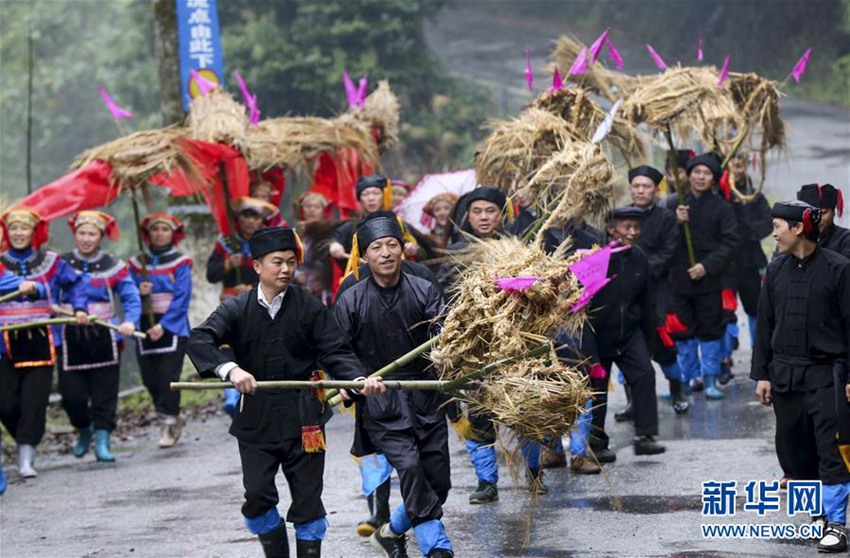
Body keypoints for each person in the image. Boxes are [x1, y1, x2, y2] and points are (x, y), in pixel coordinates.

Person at [187, 227, 382, 558]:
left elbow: (336, 350)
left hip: (305, 420)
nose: (285, 269)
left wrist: (356, 379)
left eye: (291, 262)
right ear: (257, 266)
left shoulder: (309, 308)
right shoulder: (237, 309)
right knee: (258, 497)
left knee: (308, 500)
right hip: (256, 421)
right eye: (277, 262)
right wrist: (231, 370)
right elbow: (199, 339)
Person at [334, 215, 453, 558]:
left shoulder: (424, 286)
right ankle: (437, 547)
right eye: (376, 248)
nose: (385, 253)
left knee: (438, 482)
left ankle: (391, 531)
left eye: (392, 245)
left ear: (402, 249)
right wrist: (355, 380)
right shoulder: (351, 297)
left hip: (427, 395)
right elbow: (337, 349)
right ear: (365, 256)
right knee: (411, 468)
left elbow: (444, 331)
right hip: (381, 401)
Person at [750, 200, 850, 553]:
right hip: (785, 376)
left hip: (827, 375)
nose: (773, 233)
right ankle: (816, 517)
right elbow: (765, 325)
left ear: (797, 228)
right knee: (794, 450)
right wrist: (761, 374)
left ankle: (837, 524)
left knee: (830, 449)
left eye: (777, 226)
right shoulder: (775, 270)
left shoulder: (839, 269)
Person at [582, 206, 666, 460]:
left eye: (636, 227)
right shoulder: (596, 259)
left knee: (645, 374)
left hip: (629, 333)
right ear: (611, 230)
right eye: (626, 227)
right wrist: (588, 351)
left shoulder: (639, 256)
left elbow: (646, 301)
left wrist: (651, 341)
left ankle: (645, 436)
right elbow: (580, 306)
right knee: (596, 387)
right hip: (598, 334)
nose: (632, 232)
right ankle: (596, 443)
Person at [59, 211, 141, 463]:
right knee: (71, 394)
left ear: (101, 236)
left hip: (105, 334)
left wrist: (129, 321)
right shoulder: (59, 263)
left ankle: (103, 439)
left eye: (92, 234)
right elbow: (48, 292)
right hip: (68, 335)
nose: (86, 238)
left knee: (104, 392)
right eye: (82, 233)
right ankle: (84, 429)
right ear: (75, 234)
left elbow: (130, 295)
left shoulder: (113, 266)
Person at [665, 154, 739, 400]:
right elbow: (663, 240)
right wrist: (676, 222)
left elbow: (730, 244)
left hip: (708, 281)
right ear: (688, 174)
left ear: (714, 179)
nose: (700, 177)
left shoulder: (722, 208)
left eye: (706, 173)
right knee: (683, 332)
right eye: (696, 172)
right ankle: (687, 380)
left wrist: (706, 266)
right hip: (679, 279)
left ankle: (710, 380)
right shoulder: (675, 203)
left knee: (710, 330)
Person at [0, 210, 60, 479]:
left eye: (24, 228)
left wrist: (43, 291)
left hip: (39, 338)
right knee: (5, 402)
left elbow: (75, 284)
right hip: (3, 341)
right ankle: (24, 440)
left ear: (34, 232)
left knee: (33, 400)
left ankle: (26, 456)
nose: (19, 233)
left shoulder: (53, 262)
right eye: (14, 228)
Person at [623, 165, 687, 415]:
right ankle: (632, 402)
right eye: (636, 186)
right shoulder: (620, 217)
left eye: (646, 186)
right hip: (626, 292)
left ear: (655, 189)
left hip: (657, 290)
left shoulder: (666, 217)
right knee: (626, 344)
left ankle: (677, 391)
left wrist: (641, 269)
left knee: (664, 344)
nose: (640, 191)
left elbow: (669, 252)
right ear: (630, 189)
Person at [128, 213, 192, 448]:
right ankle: (172, 414)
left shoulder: (181, 262)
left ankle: (168, 422)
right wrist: (139, 290)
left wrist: (163, 325)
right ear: (148, 234)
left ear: (173, 234)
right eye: (155, 230)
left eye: (165, 230)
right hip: (144, 323)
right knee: (150, 378)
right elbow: (127, 293)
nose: (159, 234)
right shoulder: (137, 263)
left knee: (168, 376)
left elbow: (182, 296)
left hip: (172, 325)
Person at [206, 196, 275, 415]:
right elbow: (211, 274)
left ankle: (259, 392)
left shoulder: (268, 242)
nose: (250, 221)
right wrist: (228, 264)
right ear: (239, 218)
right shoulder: (227, 243)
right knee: (228, 344)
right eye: (246, 216)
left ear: (262, 220)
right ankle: (231, 394)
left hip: (262, 301)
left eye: (255, 216)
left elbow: (277, 273)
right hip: (231, 303)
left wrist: (253, 287)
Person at [716, 155, 772, 381]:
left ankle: (758, 355)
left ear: (745, 166)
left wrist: (748, 232)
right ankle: (724, 359)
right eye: (731, 166)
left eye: (739, 166)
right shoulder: (718, 193)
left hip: (750, 261)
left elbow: (768, 221)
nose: (736, 170)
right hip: (724, 265)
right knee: (724, 310)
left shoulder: (752, 192)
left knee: (755, 309)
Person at [294, 192, 334, 304]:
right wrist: (296, 274)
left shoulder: (329, 232)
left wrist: (321, 278)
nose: (312, 210)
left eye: (316, 207)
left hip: (323, 286)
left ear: (323, 210)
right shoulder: (295, 233)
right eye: (308, 206)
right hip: (300, 285)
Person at [797, 183, 850, 258]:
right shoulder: (793, 238)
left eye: (824, 212)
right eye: (811, 214)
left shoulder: (845, 239)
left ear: (833, 212)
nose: (818, 219)